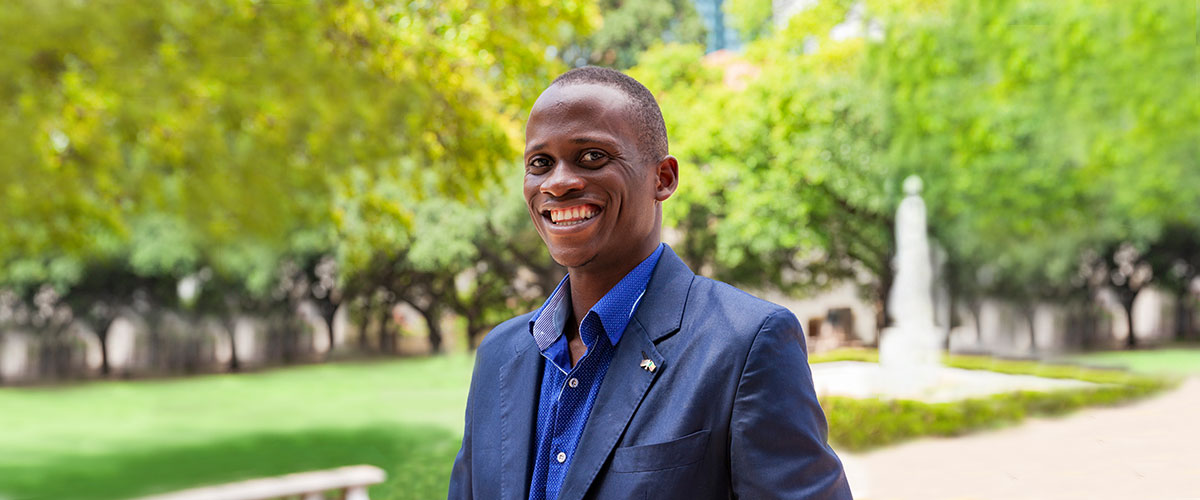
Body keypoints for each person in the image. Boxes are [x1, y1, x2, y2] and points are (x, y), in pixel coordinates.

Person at [448, 66, 851, 500]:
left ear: (663, 178)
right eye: (540, 163)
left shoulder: (745, 344)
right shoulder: (499, 354)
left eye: (592, 156)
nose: (558, 183)